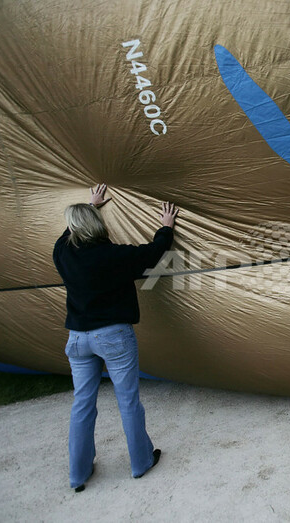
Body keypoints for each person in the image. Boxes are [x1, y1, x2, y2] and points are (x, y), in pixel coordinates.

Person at [53, 183, 179, 491]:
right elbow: (153, 254)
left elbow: (67, 234)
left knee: (82, 404)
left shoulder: (63, 253)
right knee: (128, 402)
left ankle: (78, 474)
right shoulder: (113, 256)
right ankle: (140, 462)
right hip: (113, 336)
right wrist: (166, 227)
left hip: (78, 339)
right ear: (98, 227)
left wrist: (91, 204)